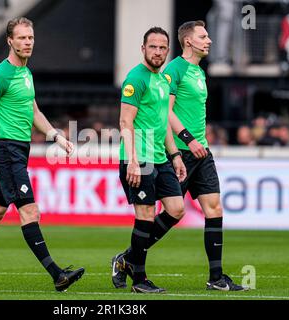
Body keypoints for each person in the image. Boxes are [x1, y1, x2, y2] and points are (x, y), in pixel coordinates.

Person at [0, 17, 84, 292]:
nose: (27, 43)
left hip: (19, 150)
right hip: (6, 150)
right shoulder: (0, 74)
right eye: (22, 38)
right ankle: (57, 274)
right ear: (9, 41)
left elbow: (35, 112)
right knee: (30, 210)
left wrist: (57, 136)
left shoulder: (26, 73)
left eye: (31, 38)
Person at [162, 20, 248, 291]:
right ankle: (129, 257)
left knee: (214, 209)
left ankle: (216, 278)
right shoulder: (175, 68)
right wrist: (187, 139)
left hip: (202, 152)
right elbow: (165, 110)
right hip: (180, 152)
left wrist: (201, 139)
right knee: (173, 213)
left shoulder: (199, 71)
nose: (209, 40)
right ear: (188, 41)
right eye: (203, 36)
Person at [111, 27, 187, 294]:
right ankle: (139, 280)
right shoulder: (136, 78)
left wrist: (175, 155)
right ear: (143, 49)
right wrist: (132, 160)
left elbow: (163, 122)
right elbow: (125, 121)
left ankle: (127, 259)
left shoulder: (163, 81)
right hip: (139, 157)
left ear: (168, 50)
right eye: (152, 47)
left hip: (160, 157)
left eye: (162, 47)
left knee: (177, 209)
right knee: (145, 216)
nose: (158, 52)